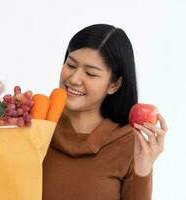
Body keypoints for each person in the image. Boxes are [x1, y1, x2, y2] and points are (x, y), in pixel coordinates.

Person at [42, 24, 168, 200]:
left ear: (114, 85)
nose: (74, 78)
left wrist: (143, 171)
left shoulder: (130, 144)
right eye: (71, 65)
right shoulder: (37, 125)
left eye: (90, 73)